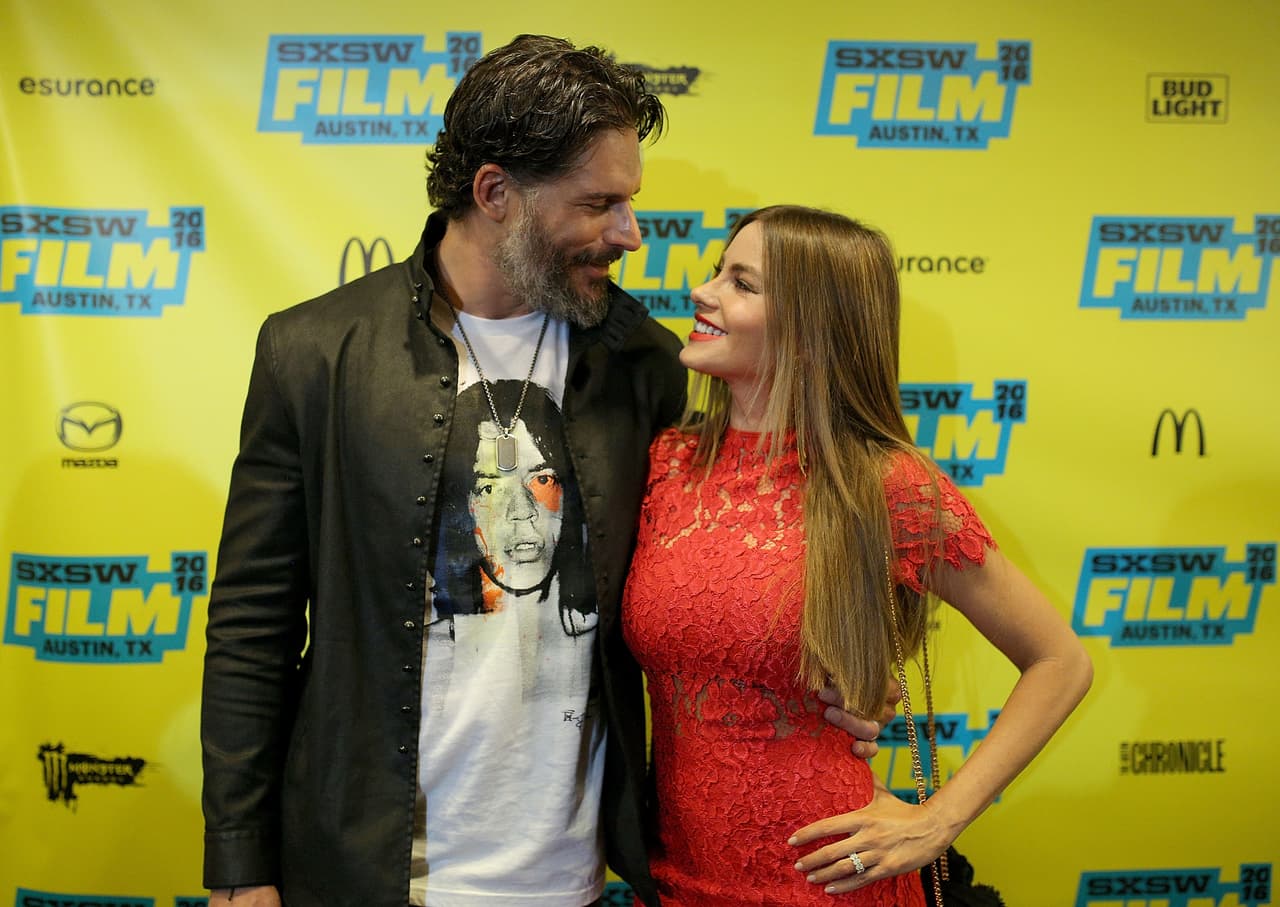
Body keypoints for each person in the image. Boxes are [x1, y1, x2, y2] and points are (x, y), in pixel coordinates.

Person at [201, 37, 884, 907]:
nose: (629, 235)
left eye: (629, 203)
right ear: (495, 194)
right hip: (360, 871)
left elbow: (733, 568)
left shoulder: (649, 363)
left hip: (576, 879)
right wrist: (239, 863)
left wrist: (842, 677)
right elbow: (252, 626)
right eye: (599, 204)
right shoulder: (314, 352)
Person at [622, 205, 1093, 905]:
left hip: (830, 881)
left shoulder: (886, 484)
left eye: (742, 283)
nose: (704, 292)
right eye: (719, 271)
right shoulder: (667, 463)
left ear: (813, 332)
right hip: (674, 879)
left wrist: (938, 819)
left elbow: (1062, 662)